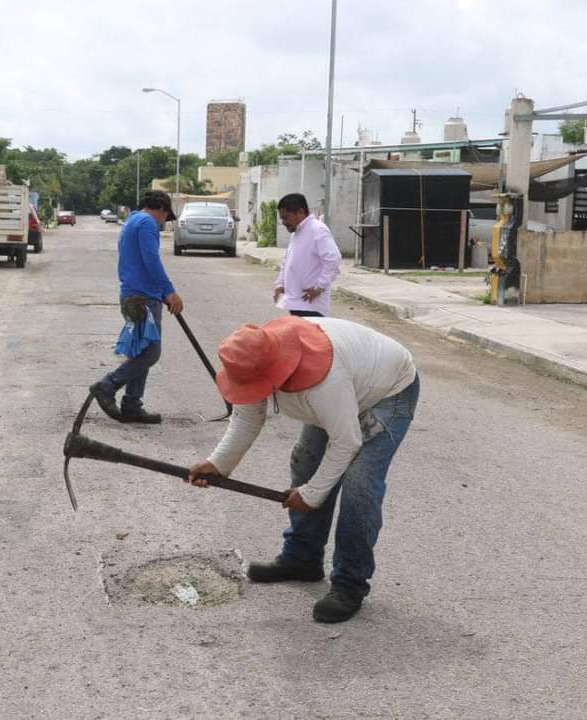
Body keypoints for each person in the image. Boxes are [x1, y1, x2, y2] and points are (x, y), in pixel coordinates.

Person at [187, 316, 419, 623]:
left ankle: (350, 584)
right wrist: (218, 464)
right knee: (305, 462)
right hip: (345, 391)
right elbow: (246, 418)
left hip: (387, 391)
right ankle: (303, 559)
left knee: (359, 485)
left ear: (275, 371)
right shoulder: (254, 360)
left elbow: (346, 441)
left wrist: (311, 495)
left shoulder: (323, 379)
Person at [90, 190, 184, 424]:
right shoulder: (147, 223)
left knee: (141, 349)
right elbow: (151, 260)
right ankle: (107, 385)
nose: (164, 222)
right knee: (151, 351)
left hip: (135, 293)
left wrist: (162, 292)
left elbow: (141, 261)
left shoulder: (133, 220)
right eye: (165, 216)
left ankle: (132, 404)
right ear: (161, 208)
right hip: (143, 296)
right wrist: (169, 291)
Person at [273, 194, 341, 318]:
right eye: (282, 218)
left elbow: (333, 260)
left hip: (311, 304)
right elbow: (288, 261)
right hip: (296, 302)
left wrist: (318, 288)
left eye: (286, 218)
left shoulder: (318, 230)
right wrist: (280, 284)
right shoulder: (297, 232)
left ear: (300, 212)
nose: (283, 222)